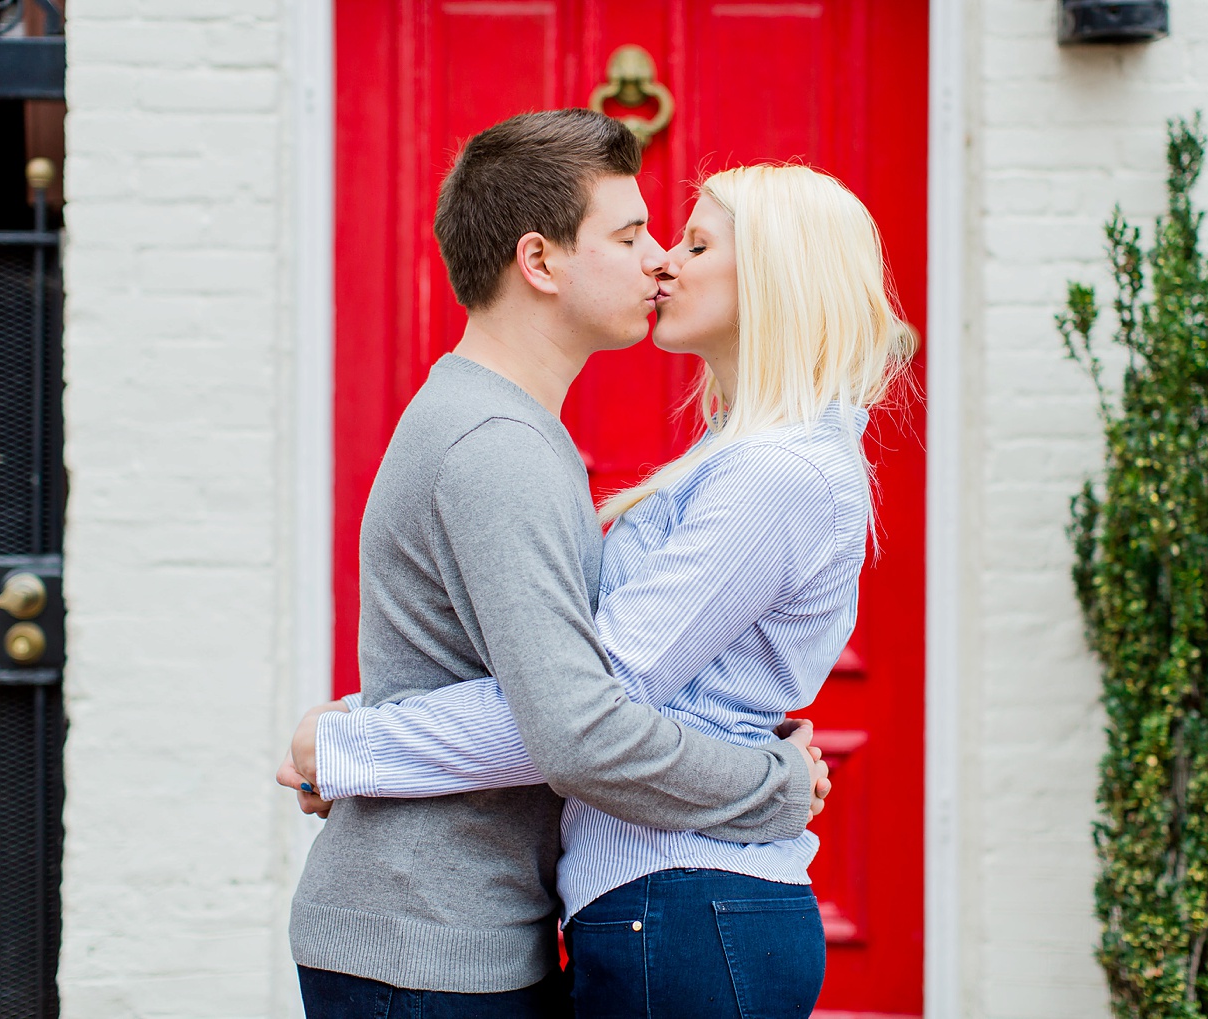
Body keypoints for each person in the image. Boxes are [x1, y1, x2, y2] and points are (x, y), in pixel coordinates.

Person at [286, 162, 913, 1018]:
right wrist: (358, 730)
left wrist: (359, 747)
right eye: (645, 238)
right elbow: (567, 688)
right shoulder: (743, 457)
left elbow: (583, 708)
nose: (665, 263)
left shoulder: (777, 475)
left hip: (692, 905)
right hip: (667, 905)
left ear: (774, 276)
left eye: (694, 243)